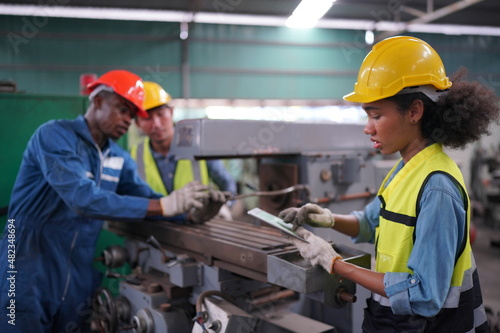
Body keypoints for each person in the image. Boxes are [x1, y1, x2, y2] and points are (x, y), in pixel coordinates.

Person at [279, 36, 499, 332]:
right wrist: (327, 219)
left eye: (377, 115)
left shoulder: (437, 187)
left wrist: (334, 263)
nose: (367, 127)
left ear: (414, 111)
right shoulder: (404, 169)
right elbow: (371, 223)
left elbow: (423, 294)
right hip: (396, 322)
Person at [0, 70, 227, 332]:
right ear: (97, 102)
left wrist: (189, 211)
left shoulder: (117, 157)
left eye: (132, 115)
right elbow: (81, 198)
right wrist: (164, 206)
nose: (128, 119)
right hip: (27, 258)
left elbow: (146, 197)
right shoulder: (54, 137)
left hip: (78, 266)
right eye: (122, 109)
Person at [130, 81, 236, 219]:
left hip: (197, 228)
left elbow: (227, 183)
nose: (156, 124)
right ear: (138, 123)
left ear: (171, 112)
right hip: (152, 230)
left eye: (160, 114)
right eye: (147, 118)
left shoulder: (200, 148)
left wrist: (225, 207)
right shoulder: (133, 155)